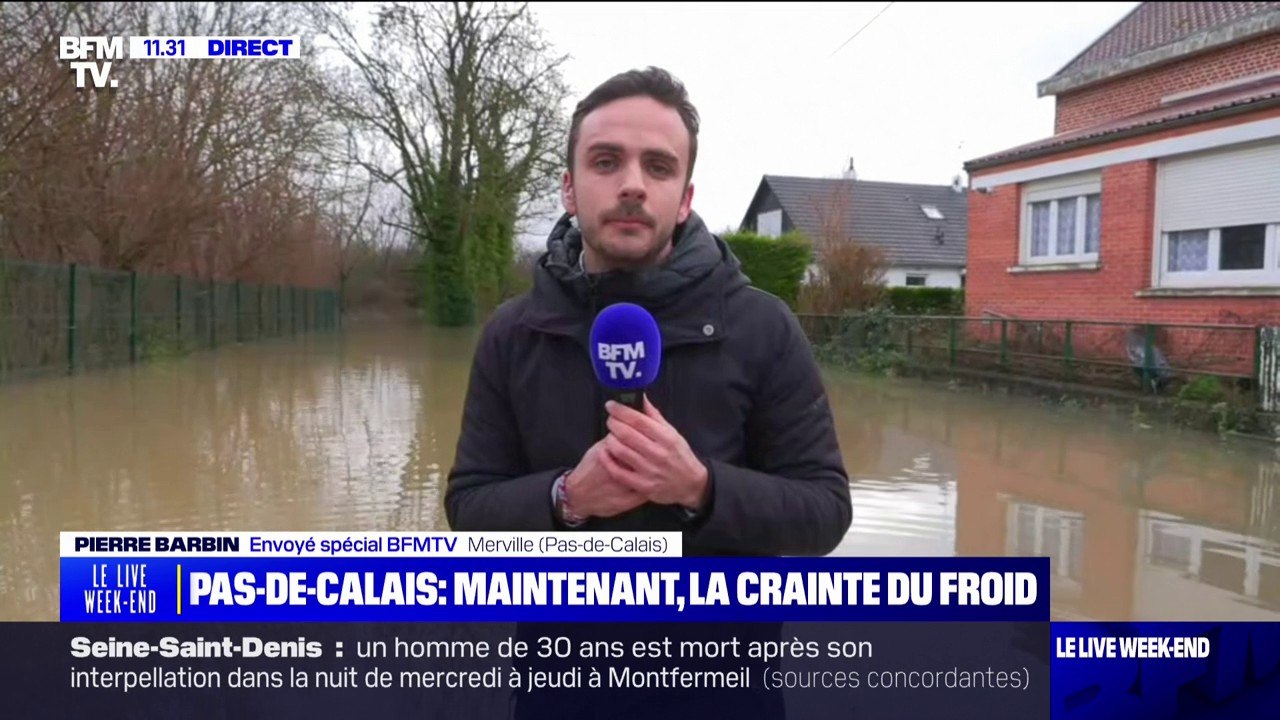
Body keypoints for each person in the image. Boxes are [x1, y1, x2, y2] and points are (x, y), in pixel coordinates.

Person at [445, 66, 851, 720]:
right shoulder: (511, 334)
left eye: (658, 167)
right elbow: (468, 510)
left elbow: (824, 511)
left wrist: (701, 488)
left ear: (684, 198)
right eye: (607, 162)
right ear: (570, 189)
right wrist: (566, 500)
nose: (633, 184)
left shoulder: (763, 327)